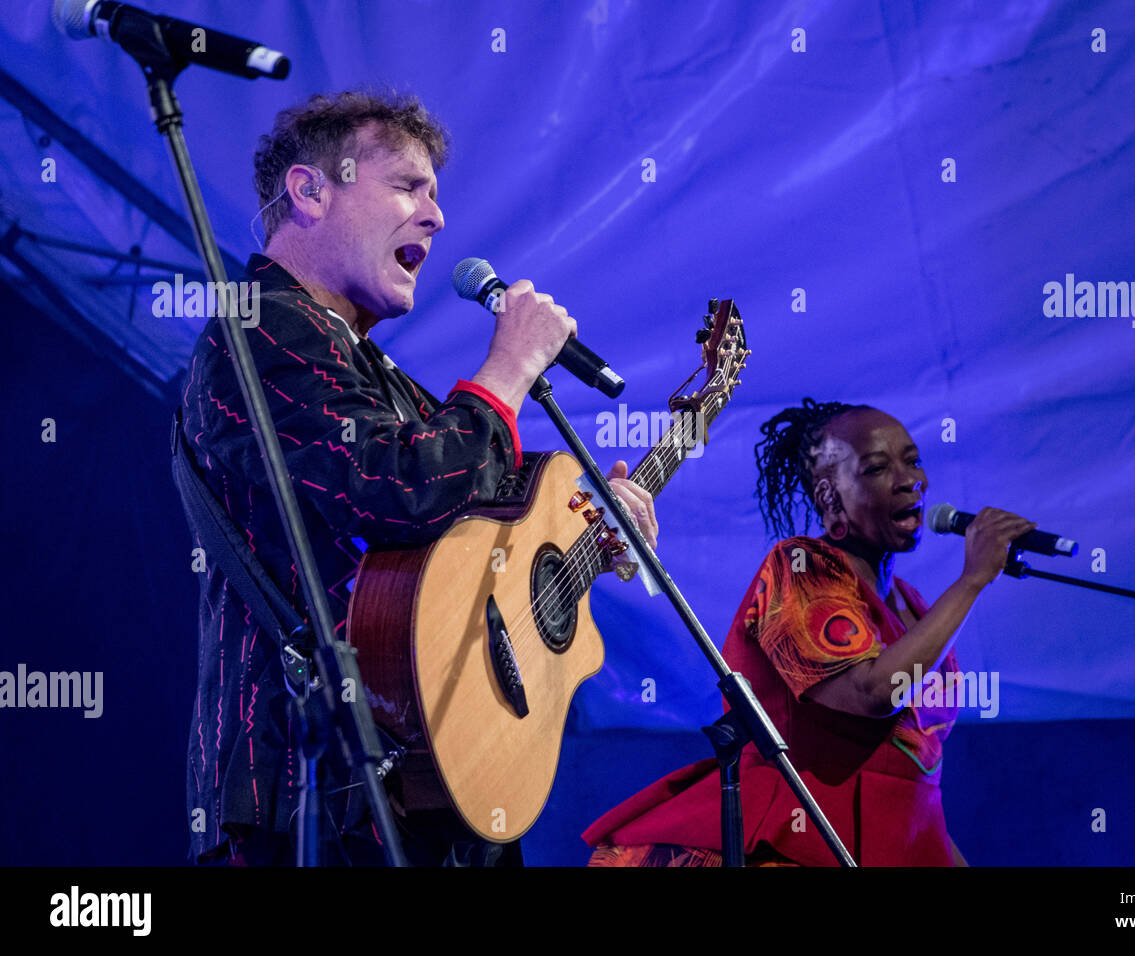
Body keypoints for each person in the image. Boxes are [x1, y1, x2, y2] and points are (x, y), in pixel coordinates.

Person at [179, 89, 657, 866]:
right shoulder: (260, 326)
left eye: (436, 195)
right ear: (309, 191)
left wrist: (588, 527)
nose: (435, 218)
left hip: (419, 785)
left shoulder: (366, 365)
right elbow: (400, 487)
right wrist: (507, 367)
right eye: (407, 185)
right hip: (308, 803)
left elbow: (469, 524)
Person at [582, 398, 1032, 866]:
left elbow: (914, 784)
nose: (910, 480)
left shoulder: (916, 607)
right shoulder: (800, 569)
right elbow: (871, 691)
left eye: (913, 461)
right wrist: (972, 580)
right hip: (798, 842)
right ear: (829, 496)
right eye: (877, 468)